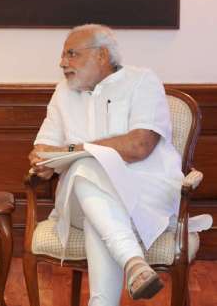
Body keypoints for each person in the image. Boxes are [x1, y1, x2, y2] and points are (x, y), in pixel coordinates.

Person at [29, 24, 183, 305]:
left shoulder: (142, 81)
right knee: (87, 169)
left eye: (71, 54)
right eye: (63, 56)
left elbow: (140, 146)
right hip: (78, 199)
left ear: (101, 55)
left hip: (142, 197)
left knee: (94, 198)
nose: (62, 63)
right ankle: (134, 263)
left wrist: (77, 149)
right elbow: (43, 148)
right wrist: (43, 163)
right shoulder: (63, 92)